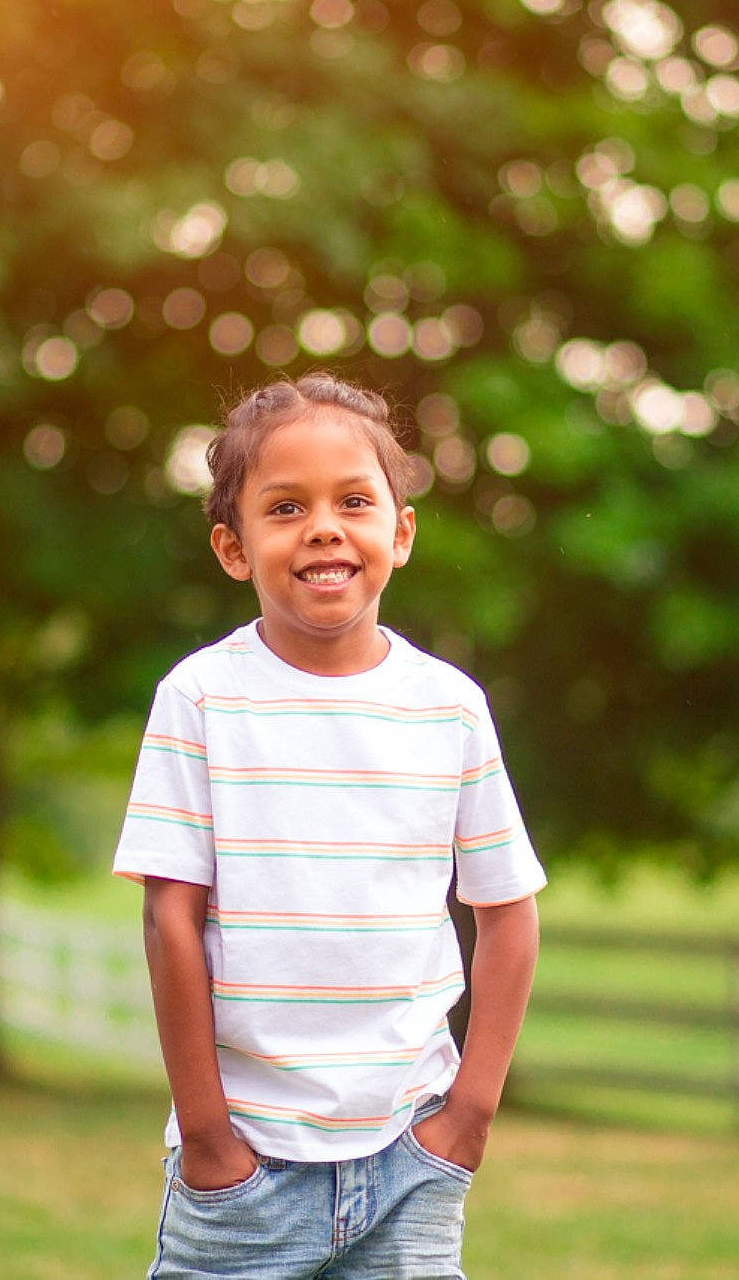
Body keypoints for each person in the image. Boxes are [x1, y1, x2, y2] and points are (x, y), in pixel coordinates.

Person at [113, 372, 545, 1279]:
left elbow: (508, 914)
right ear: (233, 547)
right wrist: (206, 1135)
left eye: (354, 499)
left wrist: (469, 1114)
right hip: (245, 1165)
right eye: (286, 506)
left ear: (402, 529)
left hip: (410, 1158)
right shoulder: (200, 699)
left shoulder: (449, 708)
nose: (323, 526)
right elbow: (169, 920)